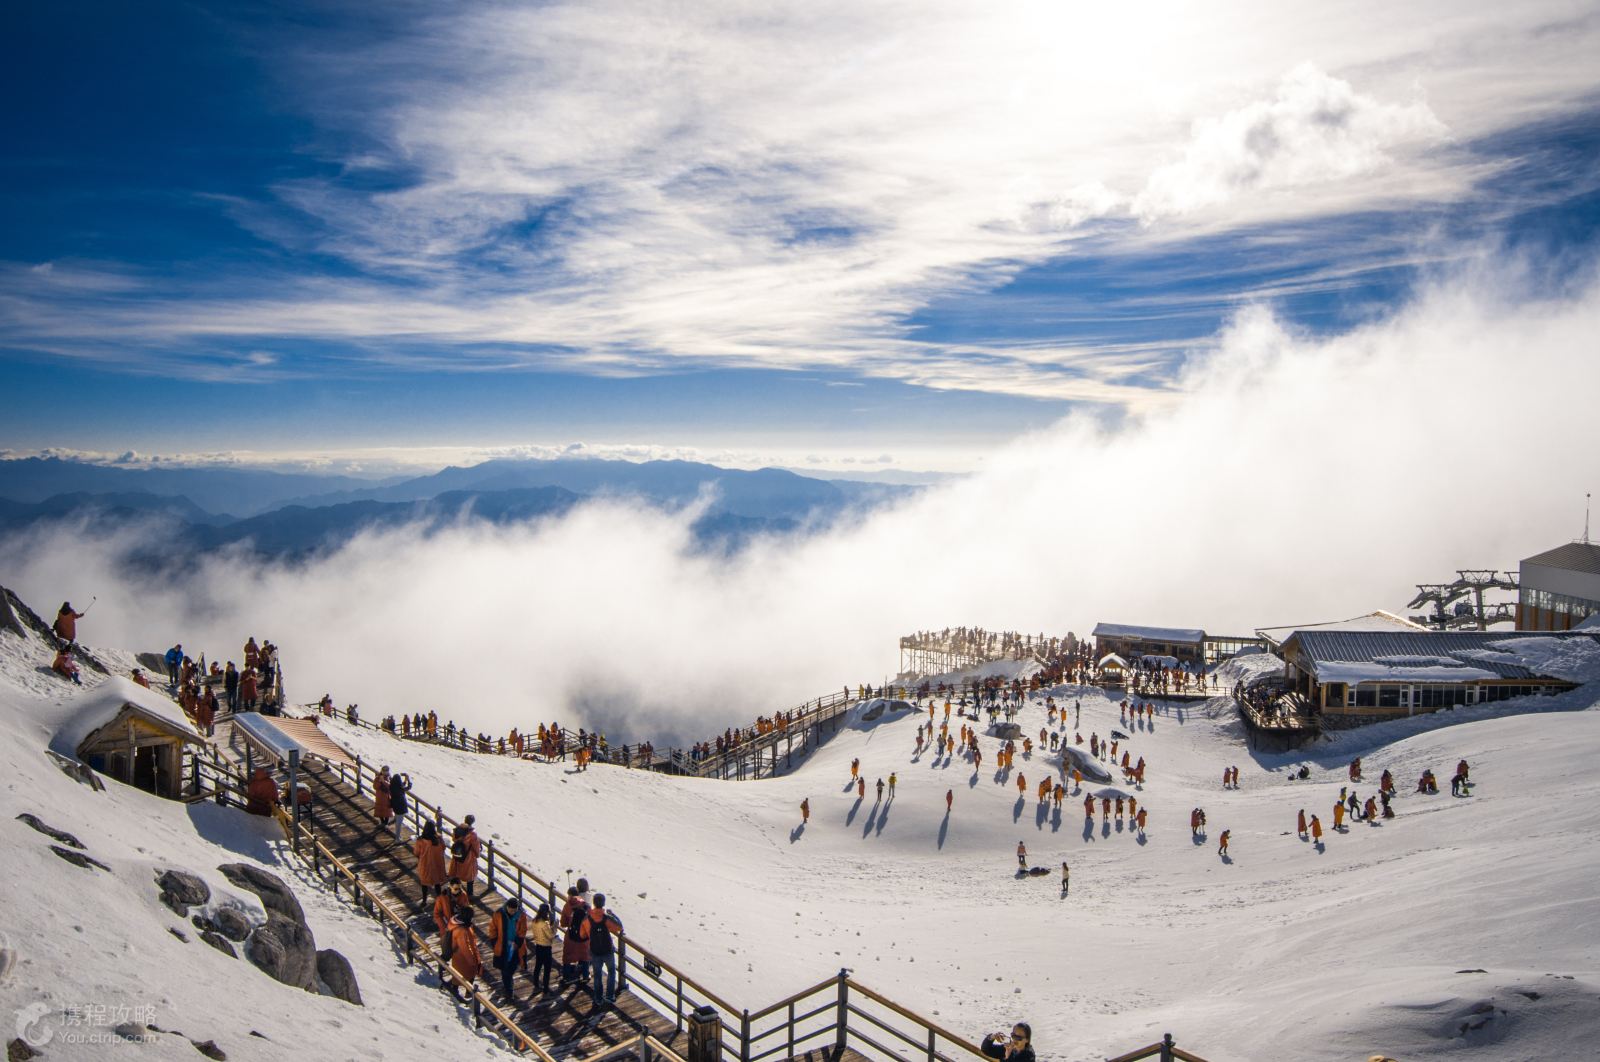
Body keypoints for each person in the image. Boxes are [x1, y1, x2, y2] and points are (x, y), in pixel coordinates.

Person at [583, 894, 624, 1004]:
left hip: (595, 951)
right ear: (603, 903)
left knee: (597, 974)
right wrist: (612, 914)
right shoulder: (606, 918)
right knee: (611, 972)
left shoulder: (588, 918)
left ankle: (598, 998)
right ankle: (610, 996)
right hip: (607, 951)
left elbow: (583, 934)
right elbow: (619, 927)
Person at [488, 896, 529, 1000]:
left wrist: (518, 942)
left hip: (515, 947)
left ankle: (508, 986)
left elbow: (523, 930)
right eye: (511, 910)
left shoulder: (521, 915)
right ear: (507, 907)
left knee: (511, 968)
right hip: (502, 947)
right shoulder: (498, 914)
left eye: (514, 910)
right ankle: (509, 989)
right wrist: (494, 942)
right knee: (504, 969)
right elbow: (493, 929)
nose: (512, 912)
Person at [560, 885, 590, 985]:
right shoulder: (586, 905)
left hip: (571, 936)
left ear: (570, 895)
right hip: (584, 936)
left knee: (568, 956)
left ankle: (567, 977)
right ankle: (585, 976)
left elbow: (563, 923)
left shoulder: (568, 905)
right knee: (585, 955)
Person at [447, 908, 480, 999]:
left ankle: (459, 991)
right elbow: (465, 947)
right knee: (467, 974)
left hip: (459, 956)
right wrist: (473, 961)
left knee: (459, 976)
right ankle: (466, 994)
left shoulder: (460, 925)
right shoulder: (462, 930)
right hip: (462, 958)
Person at [434, 879, 469, 954]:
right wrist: (444, 926)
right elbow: (437, 914)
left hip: (459, 926)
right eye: (456, 889)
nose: (458, 891)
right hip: (447, 926)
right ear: (450, 887)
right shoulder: (442, 898)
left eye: (460, 888)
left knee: (460, 949)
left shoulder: (463, 895)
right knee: (446, 947)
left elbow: (467, 909)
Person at [414, 821, 447, 899]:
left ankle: (424, 899)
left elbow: (416, 852)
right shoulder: (438, 838)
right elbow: (443, 847)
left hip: (425, 864)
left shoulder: (420, 840)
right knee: (437, 882)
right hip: (437, 863)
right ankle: (439, 899)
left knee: (424, 882)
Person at [530, 902, 557, 993]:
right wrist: (555, 927)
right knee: (547, 968)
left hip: (538, 946)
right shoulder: (544, 923)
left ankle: (536, 983)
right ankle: (545, 987)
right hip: (546, 948)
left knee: (538, 966)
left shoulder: (534, 921)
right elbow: (551, 935)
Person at [388, 771, 412, 842]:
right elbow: (408, 787)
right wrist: (408, 780)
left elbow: (401, 785)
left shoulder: (391, 786)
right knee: (399, 823)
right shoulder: (400, 788)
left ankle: (397, 837)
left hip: (395, 806)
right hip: (401, 807)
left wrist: (405, 780)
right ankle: (397, 838)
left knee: (397, 821)